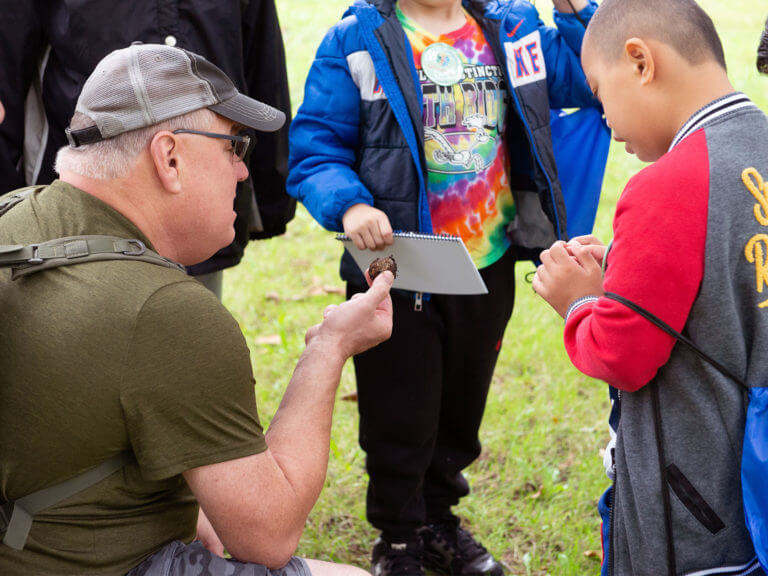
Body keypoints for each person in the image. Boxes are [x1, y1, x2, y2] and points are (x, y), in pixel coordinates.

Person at [0, 43, 394, 576]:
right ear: (169, 158)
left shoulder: (14, 213)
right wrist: (328, 347)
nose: (240, 172)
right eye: (234, 147)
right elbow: (269, 536)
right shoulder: (164, 313)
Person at [287, 0, 600, 574]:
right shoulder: (359, 40)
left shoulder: (511, 28)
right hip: (399, 270)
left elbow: (591, 73)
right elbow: (316, 147)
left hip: (487, 266)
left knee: (461, 405)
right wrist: (349, 203)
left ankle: (439, 521)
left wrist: (577, 10)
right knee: (398, 408)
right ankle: (400, 536)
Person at [533, 0, 768, 574]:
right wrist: (624, 263)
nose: (604, 119)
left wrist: (579, 301)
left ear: (639, 62)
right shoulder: (758, 140)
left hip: (696, 514)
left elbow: (622, 354)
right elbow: (728, 265)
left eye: (598, 91)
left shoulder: (666, 184)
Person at [0, 0, 294, 298]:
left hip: (202, 200)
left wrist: (271, 198)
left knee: (191, 322)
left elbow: (261, 59)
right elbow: (7, 68)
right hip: (88, 205)